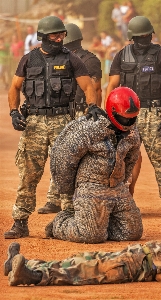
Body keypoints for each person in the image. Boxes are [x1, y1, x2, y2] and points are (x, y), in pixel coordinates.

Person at [4, 15, 103, 239]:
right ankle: (20, 222)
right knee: (28, 174)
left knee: (66, 173)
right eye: (54, 35)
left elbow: (88, 86)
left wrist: (92, 107)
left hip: (61, 121)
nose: (59, 38)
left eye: (62, 35)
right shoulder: (29, 59)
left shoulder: (71, 59)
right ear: (42, 37)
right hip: (34, 124)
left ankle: (69, 221)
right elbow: (14, 87)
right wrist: (13, 111)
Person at [45, 86, 143, 243]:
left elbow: (131, 159)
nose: (129, 121)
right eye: (125, 117)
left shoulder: (132, 133)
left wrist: (121, 182)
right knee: (91, 237)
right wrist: (68, 190)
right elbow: (63, 158)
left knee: (132, 233)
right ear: (112, 111)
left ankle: (97, 225)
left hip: (117, 187)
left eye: (132, 117)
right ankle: (61, 223)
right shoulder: (89, 128)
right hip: (91, 187)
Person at [105, 16, 161, 219]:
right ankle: (126, 201)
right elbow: (112, 85)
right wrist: (109, 114)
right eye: (140, 36)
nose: (144, 39)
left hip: (155, 113)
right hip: (128, 116)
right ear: (132, 37)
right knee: (127, 161)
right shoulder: (122, 55)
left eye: (147, 35)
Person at [37, 22, 102, 214]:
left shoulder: (82, 60)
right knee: (64, 156)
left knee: (66, 157)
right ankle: (58, 199)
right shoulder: (85, 59)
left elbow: (95, 88)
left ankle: (61, 201)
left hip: (78, 112)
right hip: (74, 112)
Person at [5, 238, 161, 286]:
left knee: (85, 270)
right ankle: (27, 264)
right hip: (135, 253)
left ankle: (32, 276)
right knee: (79, 259)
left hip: (139, 267)